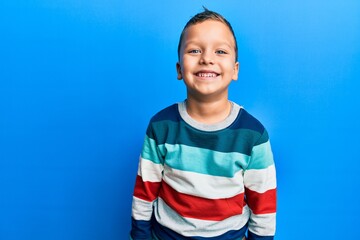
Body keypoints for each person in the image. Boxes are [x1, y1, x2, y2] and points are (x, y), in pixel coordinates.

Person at [130, 8, 276, 240]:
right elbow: (144, 194)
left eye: (220, 51)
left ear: (235, 70)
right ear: (179, 69)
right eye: (195, 50)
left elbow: (263, 205)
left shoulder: (253, 135)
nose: (207, 58)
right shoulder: (161, 126)